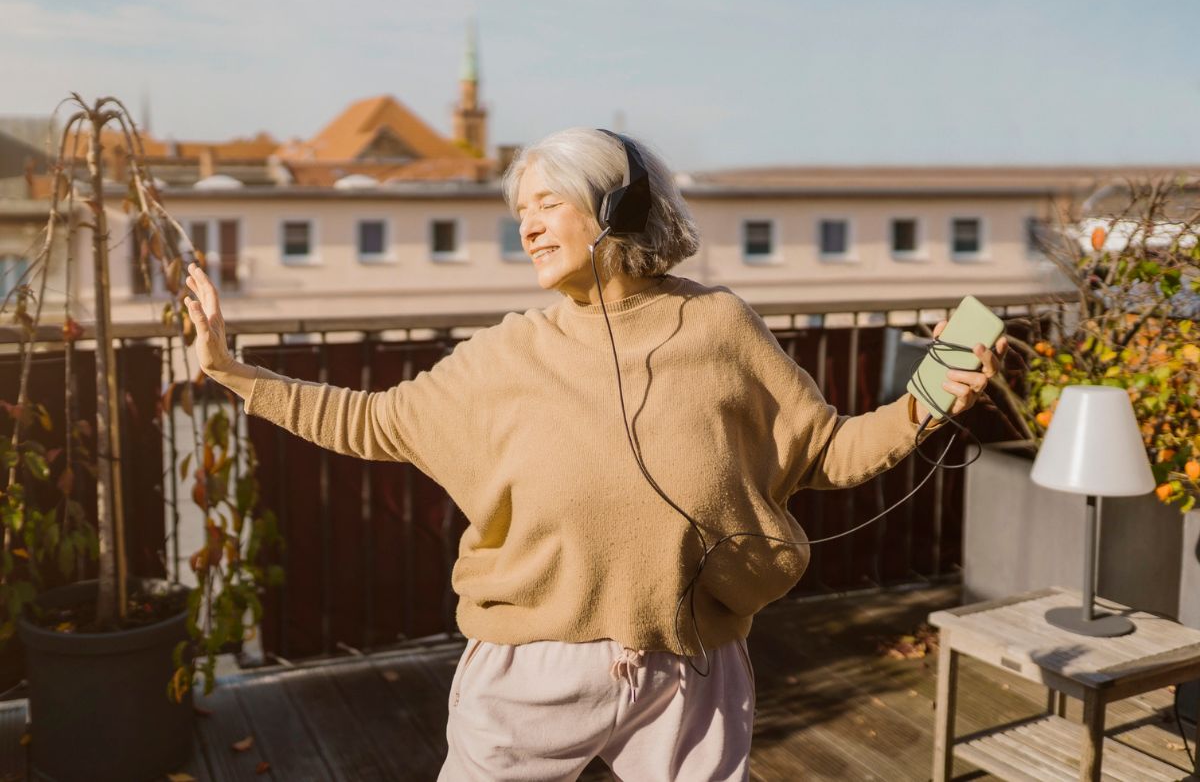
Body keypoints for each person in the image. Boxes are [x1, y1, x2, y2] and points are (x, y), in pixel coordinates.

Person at [184, 127, 1007, 782]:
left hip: (688, 667)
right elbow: (368, 420)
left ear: (615, 208)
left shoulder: (721, 326)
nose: (529, 227)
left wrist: (927, 400)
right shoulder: (504, 354)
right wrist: (233, 371)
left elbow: (828, 448)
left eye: (546, 204)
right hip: (531, 668)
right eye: (520, 214)